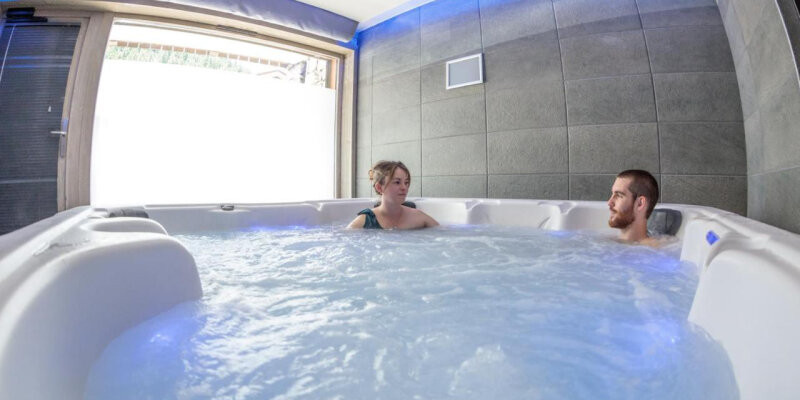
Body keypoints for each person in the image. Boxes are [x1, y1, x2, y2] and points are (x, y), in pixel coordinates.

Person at [348, 160, 439, 230]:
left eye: (406, 182)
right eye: (397, 182)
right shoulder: (364, 221)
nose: (404, 187)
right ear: (379, 188)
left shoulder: (418, 217)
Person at [607, 169, 659, 246]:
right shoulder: (605, 242)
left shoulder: (654, 250)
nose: (609, 202)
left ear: (640, 203)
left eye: (619, 195)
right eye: (612, 194)